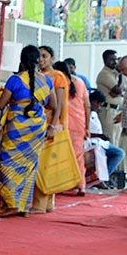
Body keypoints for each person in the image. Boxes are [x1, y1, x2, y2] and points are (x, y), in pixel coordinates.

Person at [0, 45, 56, 217]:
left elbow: (0, 105)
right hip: (37, 128)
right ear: (37, 61)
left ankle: (12, 203)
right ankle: (23, 206)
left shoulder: (15, 80)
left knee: (6, 163)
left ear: (21, 60)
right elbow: (53, 105)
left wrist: (0, 96)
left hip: (17, 127)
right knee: (29, 166)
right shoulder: (46, 80)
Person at [30, 45, 69, 214]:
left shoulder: (57, 76)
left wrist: (53, 125)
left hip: (52, 124)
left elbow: (58, 104)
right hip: (40, 123)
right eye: (39, 56)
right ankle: (47, 204)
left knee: (44, 165)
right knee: (44, 163)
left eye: (45, 56)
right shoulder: (38, 76)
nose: (41, 59)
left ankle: (40, 204)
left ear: (52, 58)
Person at [54, 60, 89, 195]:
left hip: (62, 124)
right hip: (79, 124)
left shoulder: (58, 82)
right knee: (78, 155)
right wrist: (87, 127)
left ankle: (63, 184)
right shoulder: (80, 82)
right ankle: (81, 185)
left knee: (61, 155)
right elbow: (87, 106)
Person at [87, 90, 125, 186]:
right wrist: (99, 136)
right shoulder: (84, 113)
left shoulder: (94, 114)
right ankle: (97, 179)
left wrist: (102, 137)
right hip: (89, 142)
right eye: (99, 105)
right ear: (94, 102)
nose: (99, 108)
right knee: (99, 152)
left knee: (119, 153)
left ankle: (102, 178)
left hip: (100, 142)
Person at [95, 49, 124, 148]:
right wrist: (120, 76)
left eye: (116, 59)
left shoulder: (114, 74)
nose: (115, 62)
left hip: (117, 110)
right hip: (108, 111)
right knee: (110, 141)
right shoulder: (104, 74)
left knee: (116, 141)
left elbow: (121, 91)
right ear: (105, 60)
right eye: (112, 59)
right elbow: (118, 90)